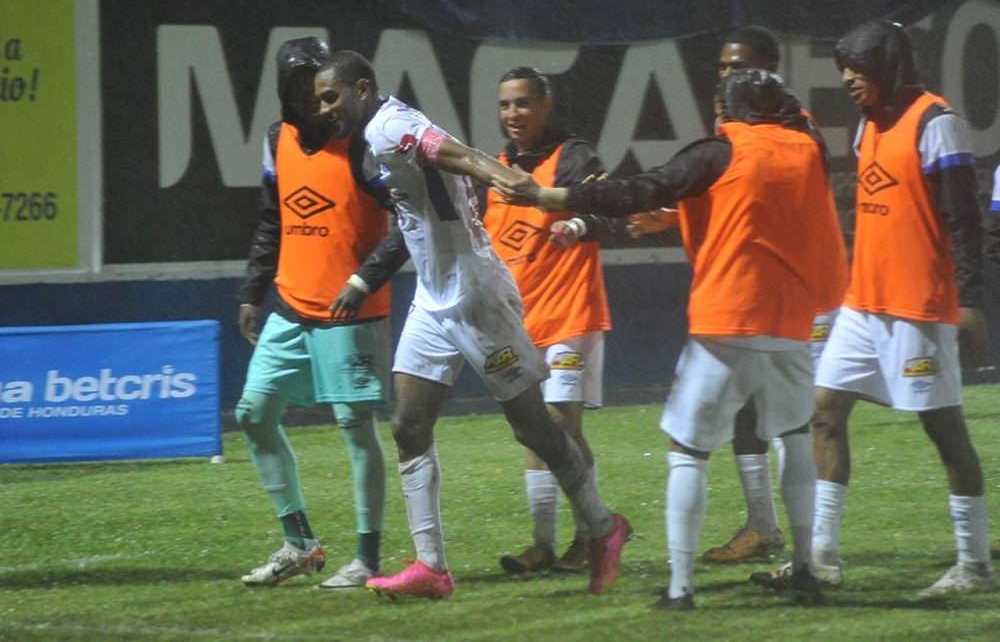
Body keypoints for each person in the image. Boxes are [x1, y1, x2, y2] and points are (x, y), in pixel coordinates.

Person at [497, 69, 849, 610]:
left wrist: (551, 194)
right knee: (796, 439)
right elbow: (750, 209)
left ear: (725, 109)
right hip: (793, 322)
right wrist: (678, 217)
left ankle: (681, 587)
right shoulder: (805, 147)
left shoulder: (720, 150)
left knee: (688, 451)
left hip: (727, 323)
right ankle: (806, 565)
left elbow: (641, 187)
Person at [313, 50, 630, 601]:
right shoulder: (373, 136)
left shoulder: (393, 126)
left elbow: (459, 154)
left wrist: (512, 180)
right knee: (408, 424)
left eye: (330, 97)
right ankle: (431, 568)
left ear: (361, 88)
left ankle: (605, 529)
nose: (325, 108)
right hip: (433, 299)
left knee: (534, 428)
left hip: (476, 294)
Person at [767, 20, 994, 597]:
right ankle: (820, 558)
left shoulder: (936, 123)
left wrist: (967, 301)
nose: (848, 78)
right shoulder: (867, 127)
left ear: (890, 66)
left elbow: (964, 222)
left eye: (860, 68)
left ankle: (973, 566)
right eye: (845, 68)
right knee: (824, 412)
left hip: (919, 309)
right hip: (863, 307)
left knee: (944, 432)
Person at [630, 26, 832, 565]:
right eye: (720, 66)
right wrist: (673, 217)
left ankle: (801, 547)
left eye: (736, 65)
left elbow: (780, 212)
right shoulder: (738, 127)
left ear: (768, 71)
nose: (725, 75)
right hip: (746, 296)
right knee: (757, 417)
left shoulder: (794, 130)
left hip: (776, 298)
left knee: (792, 424)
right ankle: (769, 530)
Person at [235, 38, 408, 589]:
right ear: (286, 94)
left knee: (356, 431)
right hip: (290, 303)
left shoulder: (364, 145)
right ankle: (300, 543)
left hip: (350, 312)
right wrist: (251, 292)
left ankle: (368, 558)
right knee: (253, 414)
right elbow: (272, 221)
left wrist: (364, 280)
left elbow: (409, 221)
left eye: (322, 91)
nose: (316, 102)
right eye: (302, 91)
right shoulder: (275, 140)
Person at [482, 67, 614, 575]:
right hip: (518, 321)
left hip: (569, 311)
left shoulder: (574, 156)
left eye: (522, 103)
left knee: (561, 422)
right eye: (505, 105)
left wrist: (578, 223)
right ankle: (541, 544)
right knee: (534, 430)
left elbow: (612, 211)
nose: (513, 114)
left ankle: (590, 536)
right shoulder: (493, 167)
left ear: (546, 104)